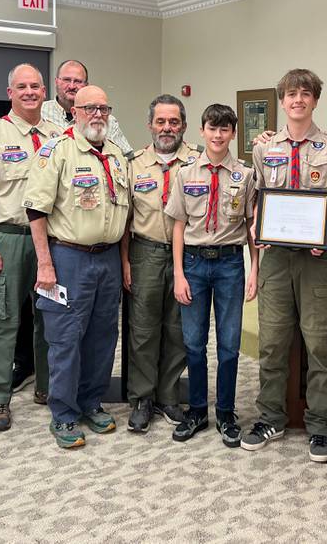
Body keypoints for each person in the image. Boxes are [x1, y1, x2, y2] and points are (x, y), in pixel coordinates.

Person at [240, 69, 327, 461]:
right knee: (273, 342)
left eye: (305, 93)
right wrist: (256, 224)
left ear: (315, 100)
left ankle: (320, 426)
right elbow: (258, 199)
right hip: (276, 258)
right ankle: (271, 417)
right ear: (282, 101)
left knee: (320, 345)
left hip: (317, 259)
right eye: (291, 94)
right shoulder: (264, 149)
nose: (298, 100)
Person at [23, 85, 129, 448]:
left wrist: (123, 262)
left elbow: (126, 213)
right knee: (66, 338)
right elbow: (36, 211)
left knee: (103, 335)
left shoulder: (116, 155)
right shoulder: (56, 151)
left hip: (108, 258)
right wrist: (44, 264)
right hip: (69, 257)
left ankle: (91, 402)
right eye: (89, 108)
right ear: (74, 111)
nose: (98, 114)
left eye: (103, 108)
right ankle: (64, 413)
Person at [0, 63, 62, 431]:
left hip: (52, 241)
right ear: (10, 93)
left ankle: (47, 387)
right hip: (9, 238)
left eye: (35, 86)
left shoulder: (58, 135)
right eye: (22, 87)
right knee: (4, 321)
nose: (29, 92)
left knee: (50, 318)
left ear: (44, 91)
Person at [164, 103, 258, 448]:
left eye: (224, 129)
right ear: (202, 131)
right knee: (193, 342)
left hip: (230, 264)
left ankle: (227, 413)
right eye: (212, 128)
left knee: (229, 345)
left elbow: (251, 225)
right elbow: (178, 226)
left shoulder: (245, 175)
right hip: (193, 263)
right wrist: (178, 273)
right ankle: (198, 411)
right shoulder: (186, 174)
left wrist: (254, 269)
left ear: (233, 133)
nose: (218, 135)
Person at [120, 94, 201, 433]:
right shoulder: (133, 164)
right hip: (145, 253)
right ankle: (141, 397)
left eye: (174, 122)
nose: (167, 128)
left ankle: (168, 396)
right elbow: (124, 217)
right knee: (143, 329)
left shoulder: (198, 160)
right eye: (161, 122)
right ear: (150, 125)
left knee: (178, 329)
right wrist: (125, 261)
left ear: (183, 125)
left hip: (189, 256)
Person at [41, 60, 132, 155]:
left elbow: (127, 157)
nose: (71, 86)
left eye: (78, 81)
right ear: (56, 81)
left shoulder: (107, 121)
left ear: (86, 85)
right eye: (66, 80)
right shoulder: (40, 113)